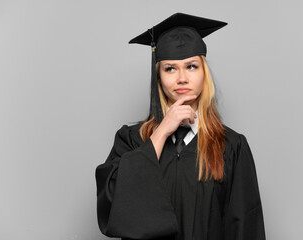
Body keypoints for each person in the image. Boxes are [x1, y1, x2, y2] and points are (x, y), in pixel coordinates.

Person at [95, 13, 266, 240]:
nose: (182, 78)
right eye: (170, 69)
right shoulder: (131, 140)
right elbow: (114, 202)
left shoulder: (231, 147)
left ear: (204, 73)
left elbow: (244, 227)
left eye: (192, 66)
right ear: (158, 78)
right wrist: (162, 131)